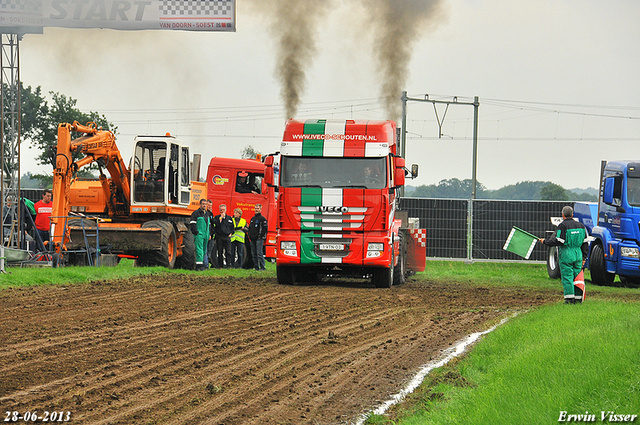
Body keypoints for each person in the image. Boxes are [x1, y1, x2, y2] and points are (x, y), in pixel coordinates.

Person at [539, 206, 588, 304]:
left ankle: (569, 298)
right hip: (578, 254)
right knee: (577, 276)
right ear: (572, 214)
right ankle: (578, 299)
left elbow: (558, 241)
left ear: (563, 215)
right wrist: (584, 257)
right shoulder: (581, 226)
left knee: (567, 277)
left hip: (566, 254)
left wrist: (545, 241)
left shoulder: (562, 226)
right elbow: (585, 243)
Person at [189, 198, 210, 271]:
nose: (204, 205)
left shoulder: (207, 214)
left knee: (204, 250)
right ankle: (199, 266)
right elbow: (192, 223)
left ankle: (202, 264)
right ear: (200, 204)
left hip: (206, 235)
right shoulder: (196, 213)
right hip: (199, 235)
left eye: (205, 204)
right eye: (203, 204)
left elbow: (209, 225)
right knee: (199, 250)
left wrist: (209, 234)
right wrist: (196, 232)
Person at [213, 203, 234, 268]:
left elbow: (232, 227)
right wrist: (220, 219)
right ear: (219, 210)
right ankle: (220, 266)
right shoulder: (217, 217)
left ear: (226, 210)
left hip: (227, 237)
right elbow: (216, 225)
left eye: (223, 210)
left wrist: (231, 233)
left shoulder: (229, 218)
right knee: (220, 252)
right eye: (221, 210)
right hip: (219, 237)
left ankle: (229, 265)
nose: (222, 211)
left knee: (228, 252)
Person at [248, 203, 268, 271]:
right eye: (255, 208)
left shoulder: (262, 219)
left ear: (260, 209)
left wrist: (260, 236)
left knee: (259, 253)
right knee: (254, 254)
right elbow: (250, 228)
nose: (256, 210)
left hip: (259, 239)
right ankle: (256, 267)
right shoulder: (252, 219)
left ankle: (263, 267)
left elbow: (265, 229)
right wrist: (250, 236)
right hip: (252, 239)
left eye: (258, 208)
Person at [203, 199, 214, 269]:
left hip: (211, 235)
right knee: (205, 250)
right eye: (208, 205)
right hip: (207, 234)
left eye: (211, 205)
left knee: (209, 250)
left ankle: (207, 263)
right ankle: (206, 265)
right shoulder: (205, 214)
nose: (209, 207)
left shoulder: (210, 214)